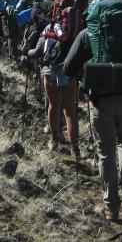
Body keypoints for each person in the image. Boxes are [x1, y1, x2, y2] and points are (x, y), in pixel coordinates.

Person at [63, 11, 122, 222]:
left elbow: (69, 67)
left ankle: (111, 207)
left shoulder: (88, 34)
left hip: (101, 99)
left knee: (106, 151)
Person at [25, 23, 80, 159]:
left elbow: (38, 52)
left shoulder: (48, 29)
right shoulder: (73, 28)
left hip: (49, 70)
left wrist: (26, 52)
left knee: (53, 105)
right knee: (70, 110)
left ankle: (54, 139)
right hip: (68, 70)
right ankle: (75, 148)